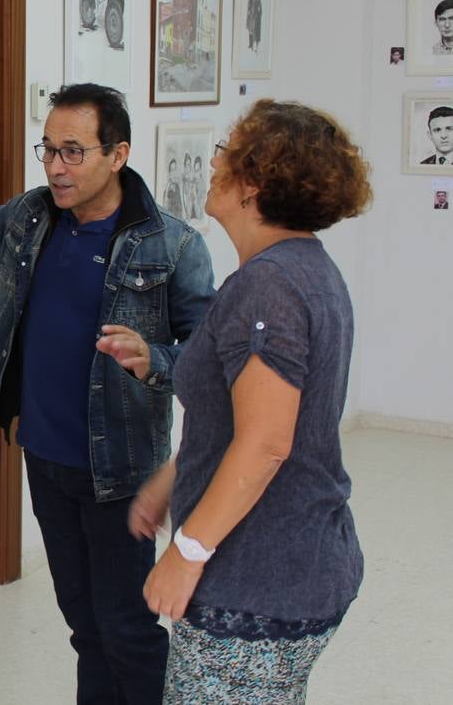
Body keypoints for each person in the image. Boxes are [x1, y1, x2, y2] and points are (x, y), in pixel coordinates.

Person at [0, 83, 214, 704]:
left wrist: (155, 360)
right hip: (45, 458)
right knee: (85, 629)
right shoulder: (30, 218)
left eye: (73, 152)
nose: (56, 168)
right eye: (48, 150)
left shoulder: (172, 245)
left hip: (120, 470)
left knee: (128, 631)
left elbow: (211, 360)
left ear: (117, 155)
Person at [128, 99, 371, 703]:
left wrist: (185, 554)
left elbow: (266, 442)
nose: (214, 165)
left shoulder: (268, 284)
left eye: (226, 154)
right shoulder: (306, 268)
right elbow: (247, 418)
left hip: (258, 579)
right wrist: (175, 476)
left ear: (254, 183)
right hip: (303, 559)